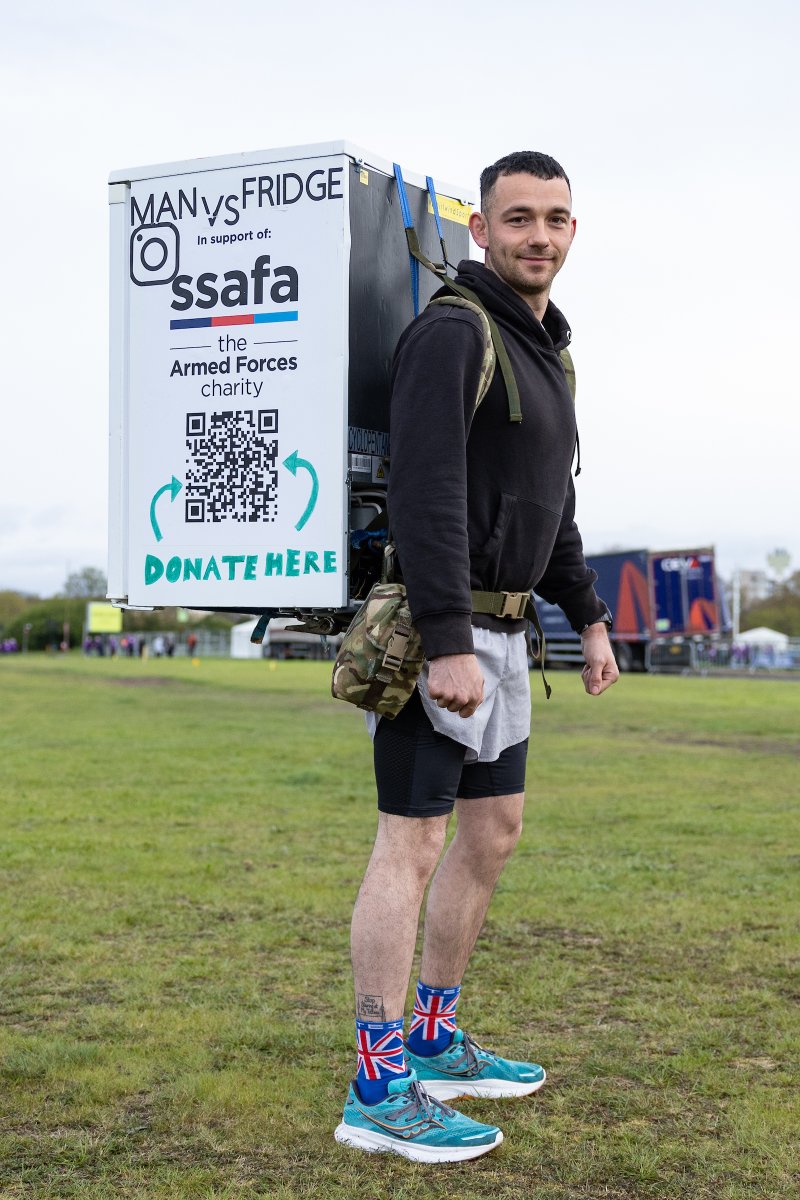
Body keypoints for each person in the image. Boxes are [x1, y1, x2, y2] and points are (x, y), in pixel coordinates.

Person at [334, 151, 619, 1163]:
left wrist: (583, 617)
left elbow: (554, 504)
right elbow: (424, 492)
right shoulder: (454, 332)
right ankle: (375, 1086)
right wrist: (449, 641)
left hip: (510, 635)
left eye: (554, 218)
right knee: (407, 848)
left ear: (571, 231)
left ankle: (436, 1035)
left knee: (490, 836)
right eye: (516, 219)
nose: (537, 235)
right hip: (437, 633)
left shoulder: (546, 349)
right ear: (480, 231)